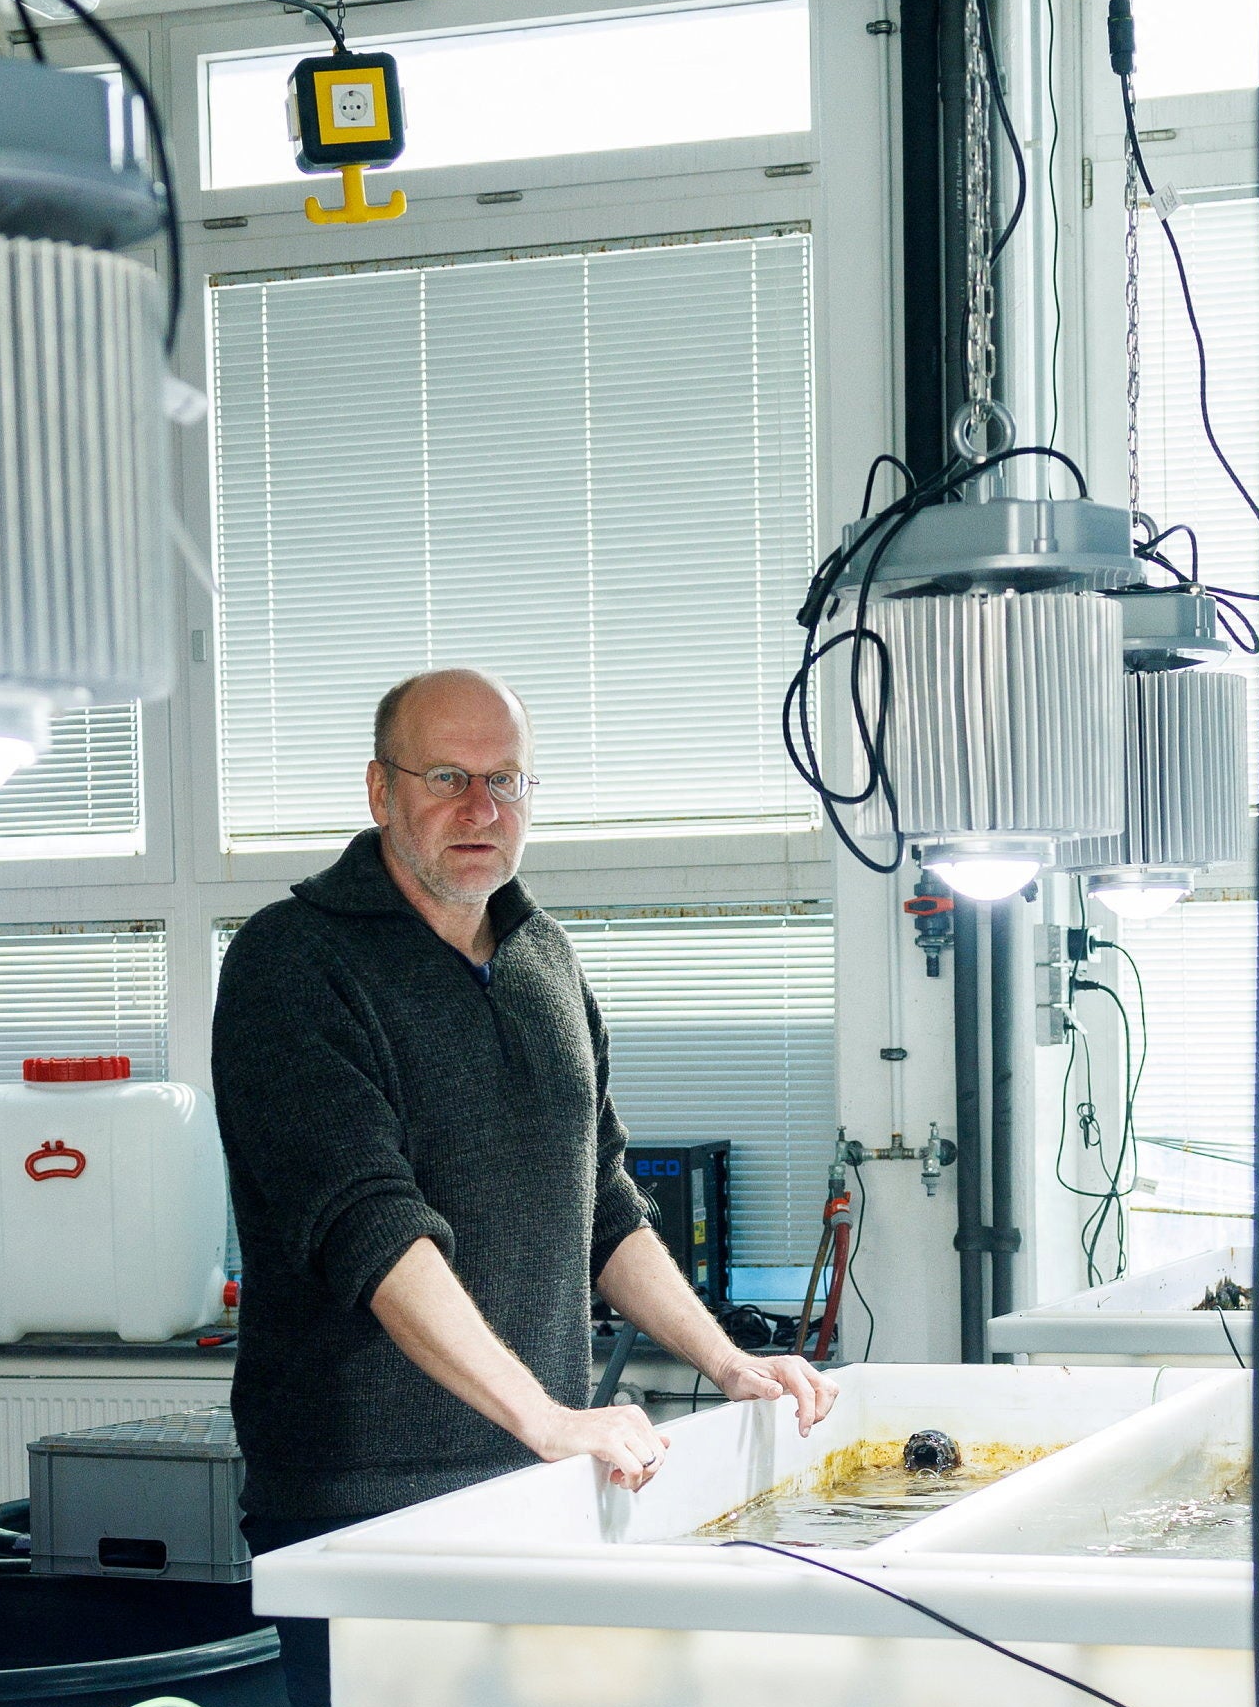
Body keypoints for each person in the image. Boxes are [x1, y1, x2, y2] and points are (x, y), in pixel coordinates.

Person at [215, 667, 833, 1599]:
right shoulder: (292, 964)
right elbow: (373, 1232)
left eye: (504, 780)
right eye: (446, 778)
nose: (481, 807)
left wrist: (729, 1361)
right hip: (364, 1504)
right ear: (381, 790)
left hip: (543, 1484)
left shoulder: (543, 955)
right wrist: (546, 1416)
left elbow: (604, 1202)